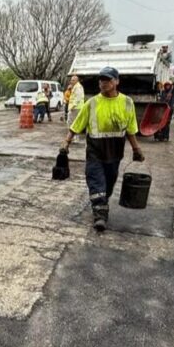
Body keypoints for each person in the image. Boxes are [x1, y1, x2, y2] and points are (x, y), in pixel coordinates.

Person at [60, 66, 145, 232]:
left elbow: (131, 129)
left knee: (109, 183)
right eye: (101, 80)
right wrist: (66, 143)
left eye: (107, 79)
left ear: (116, 81)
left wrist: (136, 149)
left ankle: (102, 203)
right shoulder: (92, 103)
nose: (103, 83)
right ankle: (100, 215)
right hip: (95, 152)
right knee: (95, 181)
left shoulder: (127, 103)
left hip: (114, 152)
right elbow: (77, 125)